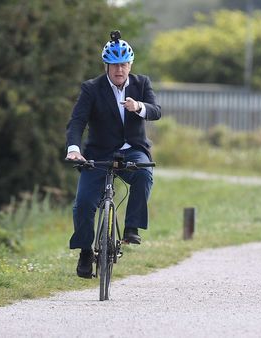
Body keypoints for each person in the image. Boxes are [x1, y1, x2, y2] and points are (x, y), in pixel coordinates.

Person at [65, 30, 162, 278]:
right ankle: (86, 251)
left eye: (124, 64)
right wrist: (74, 149)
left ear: (130, 65)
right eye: (114, 65)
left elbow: (156, 111)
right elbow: (77, 122)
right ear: (106, 65)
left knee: (144, 174)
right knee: (84, 204)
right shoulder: (91, 89)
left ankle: (131, 227)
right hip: (98, 153)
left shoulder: (142, 84)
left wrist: (138, 107)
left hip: (132, 150)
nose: (119, 70)